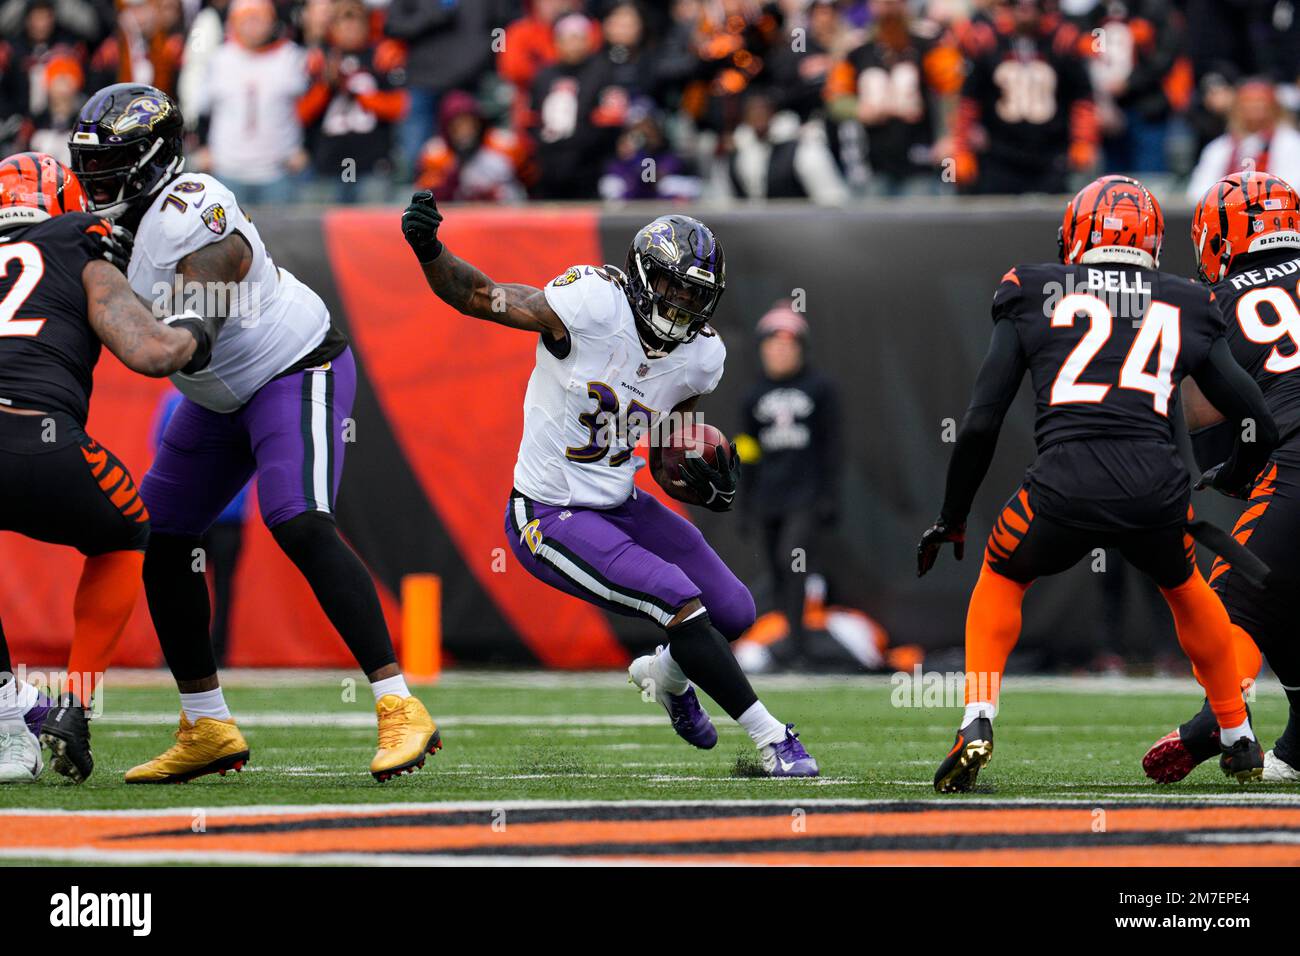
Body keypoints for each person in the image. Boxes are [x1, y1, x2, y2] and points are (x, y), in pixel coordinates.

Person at [69, 83, 439, 784]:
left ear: (151, 161)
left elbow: (212, 291)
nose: (93, 181)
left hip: (291, 366)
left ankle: (399, 704)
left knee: (298, 520)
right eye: (87, 164)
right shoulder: (105, 228)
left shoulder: (192, 208)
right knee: (165, 538)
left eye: (108, 164)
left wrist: (180, 333)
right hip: (215, 400)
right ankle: (207, 723)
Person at [401, 194, 820, 777]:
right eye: (673, 288)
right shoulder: (592, 304)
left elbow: (670, 432)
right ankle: (772, 738)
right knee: (676, 596)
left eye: (696, 295)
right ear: (645, 277)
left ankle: (668, 676)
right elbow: (480, 296)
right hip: (549, 514)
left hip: (622, 502)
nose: (681, 305)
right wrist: (430, 251)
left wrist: (693, 465)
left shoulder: (702, 356)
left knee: (733, 609)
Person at [917, 174, 1278, 792]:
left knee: (1002, 575)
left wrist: (953, 514)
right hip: (1155, 490)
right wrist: (1238, 473)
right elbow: (1254, 416)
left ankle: (977, 719)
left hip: (1063, 483)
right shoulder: (1186, 298)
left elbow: (979, 422)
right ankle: (1238, 732)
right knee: (1187, 587)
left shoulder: (1030, 288)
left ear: (1074, 236)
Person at [0, 151, 214, 783]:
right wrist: (194, 329)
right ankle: (74, 703)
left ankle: (8, 708)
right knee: (126, 531)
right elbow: (145, 349)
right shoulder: (77, 238)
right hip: (40, 438)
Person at [1144, 171, 1300, 784]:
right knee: (1283, 590)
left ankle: (1220, 714)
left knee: (1235, 594)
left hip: (1294, 456)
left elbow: (1196, 408)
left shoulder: (1217, 300)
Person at [736, 301, 840, 668]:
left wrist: (828, 496)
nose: (779, 353)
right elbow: (747, 450)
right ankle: (787, 639)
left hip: (805, 494)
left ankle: (799, 644)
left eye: (787, 346)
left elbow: (831, 445)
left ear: (800, 349)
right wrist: (745, 502)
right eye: (772, 347)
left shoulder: (819, 389)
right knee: (778, 569)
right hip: (768, 496)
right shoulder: (753, 397)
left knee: (792, 559)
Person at [1185, 80, 1300, 200]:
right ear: (1236, 110)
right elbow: (1198, 191)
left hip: (1274, 213)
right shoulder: (1219, 147)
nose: (1254, 110)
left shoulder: (1291, 143)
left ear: (1274, 109)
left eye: (1260, 104)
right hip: (1226, 213)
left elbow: (1291, 188)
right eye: (1248, 105)